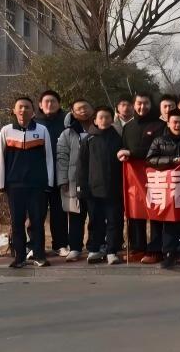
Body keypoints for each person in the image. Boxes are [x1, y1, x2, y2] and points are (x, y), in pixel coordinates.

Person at [0, 96, 55, 268]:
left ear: (33, 111)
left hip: (37, 185)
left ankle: (39, 255)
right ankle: (20, 257)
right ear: (14, 111)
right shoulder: (6, 131)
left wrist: (49, 182)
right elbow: (1, 158)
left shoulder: (42, 130)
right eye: (20, 107)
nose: (23, 110)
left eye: (27, 107)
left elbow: (49, 158)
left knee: (37, 221)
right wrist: (1, 184)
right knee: (17, 222)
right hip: (14, 185)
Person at [144, 108, 180, 270]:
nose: (178, 125)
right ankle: (169, 254)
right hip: (168, 188)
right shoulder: (159, 141)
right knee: (169, 223)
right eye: (175, 122)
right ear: (168, 123)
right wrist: (171, 160)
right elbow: (150, 159)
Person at [118, 92, 170, 264]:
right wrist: (122, 153)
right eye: (139, 103)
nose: (142, 107)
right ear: (134, 105)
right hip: (134, 176)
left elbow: (159, 149)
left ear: (151, 104)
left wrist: (132, 153)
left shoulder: (160, 125)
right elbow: (123, 147)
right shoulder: (128, 127)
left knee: (155, 211)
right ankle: (138, 247)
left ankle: (156, 250)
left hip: (156, 175)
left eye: (146, 103)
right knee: (135, 211)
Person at [77, 106, 125, 265]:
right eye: (101, 117)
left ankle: (112, 251)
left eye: (107, 117)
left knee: (114, 221)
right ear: (95, 120)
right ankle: (94, 249)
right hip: (93, 189)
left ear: (112, 119)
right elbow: (82, 166)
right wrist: (82, 187)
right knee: (95, 221)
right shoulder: (88, 139)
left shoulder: (118, 138)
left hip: (114, 188)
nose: (104, 120)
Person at [56, 99, 94, 262]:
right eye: (79, 109)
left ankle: (94, 246)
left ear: (92, 109)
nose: (83, 110)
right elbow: (62, 157)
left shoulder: (100, 128)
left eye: (86, 107)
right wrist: (63, 180)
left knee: (96, 215)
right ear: (72, 112)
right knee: (76, 215)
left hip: (96, 180)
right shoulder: (68, 133)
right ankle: (75, 248)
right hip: (75, 180)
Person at [33, 90, 69, 259]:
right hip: (39, 174)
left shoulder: (66, 121)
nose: (49, 104)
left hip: (60, 173)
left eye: (53, 101)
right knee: (36, 212)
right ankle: (35, 246)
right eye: (46, 101)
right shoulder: (34, 122)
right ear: (40, 105)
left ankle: (60, 244)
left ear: (59, 104)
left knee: (59, 212)